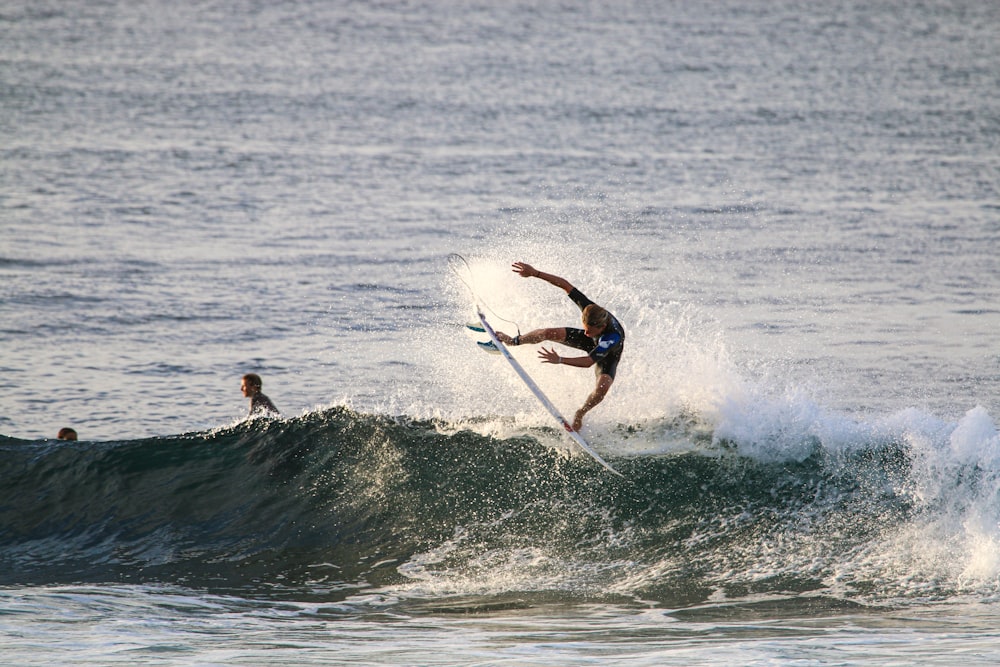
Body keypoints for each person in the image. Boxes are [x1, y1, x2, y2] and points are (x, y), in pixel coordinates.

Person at [495, 261, 625, 432]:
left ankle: (580, 413)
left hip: (608, 355)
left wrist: (560, 359)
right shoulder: (590, 309)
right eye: (584, 329)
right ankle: (514, 341)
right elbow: (565, 285)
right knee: (548, 332)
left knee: (602, 388)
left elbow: (588, 362)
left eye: (589, 331)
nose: (585, 333)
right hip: (595, 340)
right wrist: (535, 273)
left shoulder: (612, 337)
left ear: (600, 328)